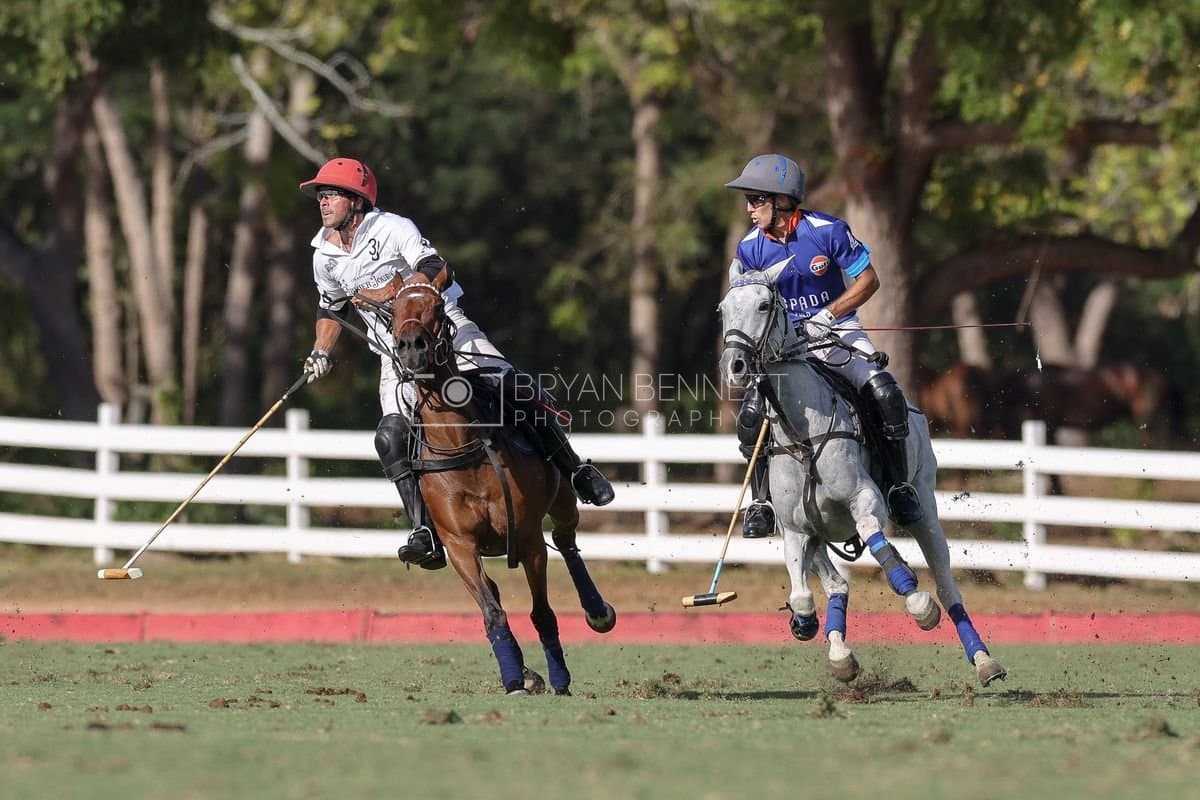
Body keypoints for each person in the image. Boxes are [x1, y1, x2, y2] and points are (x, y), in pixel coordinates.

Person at [298, 157, 614, 570]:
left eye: (332, 193)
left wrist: (396, 296)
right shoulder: (322, 254)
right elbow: (331, 307)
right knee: (390, 437)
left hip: (447, 336)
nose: (323, 202)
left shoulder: (393, 228)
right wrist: (321, 351)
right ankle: (423, 529)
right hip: (395, 359)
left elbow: (435, 266)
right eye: (321, 195)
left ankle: (575, 472)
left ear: (357, 200)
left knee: (516, 388)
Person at [723, 153, 922, 537]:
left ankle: (898, 487)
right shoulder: (749, 248)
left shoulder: (826, 230)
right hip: (784, 347)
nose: (748, 208)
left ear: (781, 201)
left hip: (836, 332)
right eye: (748, 200)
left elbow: (868, 280)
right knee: (751, 415)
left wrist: (828, 314)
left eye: (755, 199)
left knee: (883, 390)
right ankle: (762, 503)